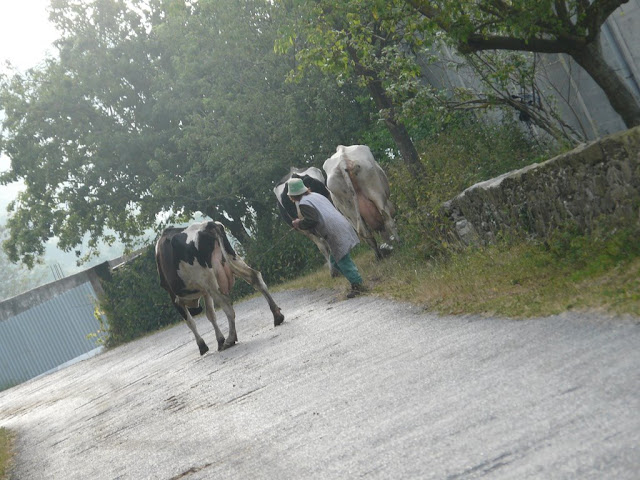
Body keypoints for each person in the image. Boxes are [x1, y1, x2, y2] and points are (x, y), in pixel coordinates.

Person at [287, 177, 366, 298]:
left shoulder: (303, 203)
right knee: (335, 259)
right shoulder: (315, 195)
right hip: (341, 223)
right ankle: (347, 277)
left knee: (342, 261)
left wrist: (299, 223)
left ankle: (358, 284)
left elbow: (311, 220)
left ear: (292, 195)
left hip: (332, 230)